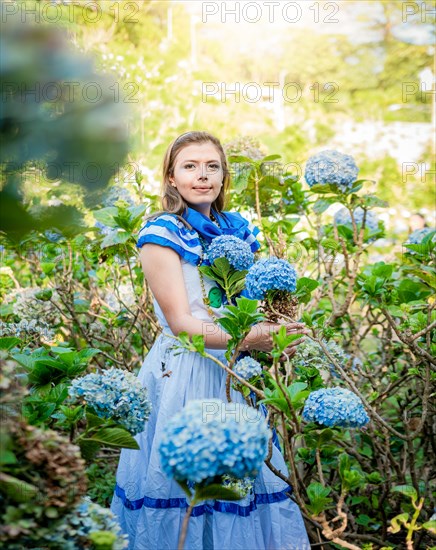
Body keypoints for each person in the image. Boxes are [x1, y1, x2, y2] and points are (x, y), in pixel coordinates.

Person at [110, 131, 310, 549]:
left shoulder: (237, 231)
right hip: (185, 372)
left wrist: (282, 326)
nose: (202, 175)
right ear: (170, 177)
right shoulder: (161, 234)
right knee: (187, 489)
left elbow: (247, 305)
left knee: (238, 487)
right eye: (190, 166)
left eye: (212, 166)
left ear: (223, 176)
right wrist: (255, 338)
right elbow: (182, 324)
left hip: (236, 374)